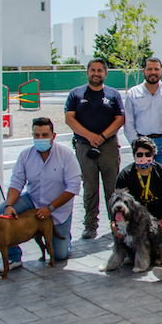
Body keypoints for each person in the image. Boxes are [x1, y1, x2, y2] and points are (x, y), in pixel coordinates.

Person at [0, 117, 81, 268]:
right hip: (33, 201)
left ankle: (64, 239)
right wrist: (9, 205)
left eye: (44, 135)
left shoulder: (66, 155)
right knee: (2, 209)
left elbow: (73, 188)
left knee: (60, 255)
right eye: (36, 135)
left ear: (53, 136)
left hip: (58, 209)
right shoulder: (25, 155)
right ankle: (14, 257)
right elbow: (16, 183)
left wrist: (50, 208)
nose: (40, 139)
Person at [65, 57, 125, 240]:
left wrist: (102, 136)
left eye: (100, 71)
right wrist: (89, 136)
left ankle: (116, 224)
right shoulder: (76, 94)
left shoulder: (113, 94)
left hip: (108, 147)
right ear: (87, 72)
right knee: (89, 188)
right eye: (93, 70)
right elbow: (69, 118)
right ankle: (90, 225)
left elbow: (120, 119)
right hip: (84, 147)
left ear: (105, 74)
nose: (96, 74)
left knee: (113, 189)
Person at [114, 136, 162, 256]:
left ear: (153, 155)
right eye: (139, 155)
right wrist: (115, 225)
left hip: (158, 218)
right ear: (134, 155)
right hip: (134, 220)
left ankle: (151, 256)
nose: (143, 158)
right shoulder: (125, 175)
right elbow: (117, 201)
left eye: (147, 154)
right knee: (127, 244)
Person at [124, 57, 162, 173]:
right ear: (143, 71)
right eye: (149, 69)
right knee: (143, 179)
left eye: (156, 69)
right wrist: (136, 145)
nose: (153, 72)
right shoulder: (133, 93)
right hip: (142, 142)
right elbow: (128, 123)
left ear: (161, 71)